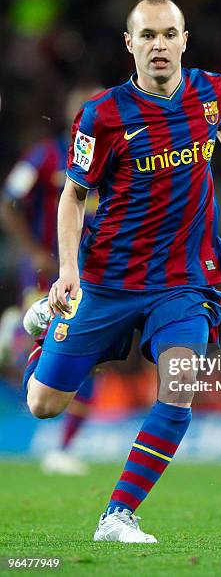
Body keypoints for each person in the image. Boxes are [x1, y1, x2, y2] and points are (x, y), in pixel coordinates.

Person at [22, 0, 221, 543]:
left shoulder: (208, 90)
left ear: (184, 39)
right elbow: (72, 196)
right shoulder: (103, 115)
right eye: (147, 36)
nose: (158, 45)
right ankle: (41, 329)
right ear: (130, 44)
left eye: (168, 34)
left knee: (180, 386)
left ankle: (118, 515)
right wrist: (66, 271)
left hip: (184, 280)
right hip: (106, 281)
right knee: (42, 405)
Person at [0, 85, 100, 475]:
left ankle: (65, 447)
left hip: (100, 274)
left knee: (94, 359)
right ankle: (22, 333)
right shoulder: (45, 155)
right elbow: (8, 199)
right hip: (52, 270)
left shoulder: (116, 156)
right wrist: (32, 250)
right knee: (70, 346)